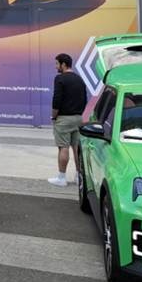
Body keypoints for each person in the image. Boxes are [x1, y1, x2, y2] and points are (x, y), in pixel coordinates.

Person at [49, 53, 87, 187]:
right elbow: (84, 99)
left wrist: (54, 116)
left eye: (57, 64)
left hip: (64, 119)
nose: (56, 67)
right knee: (76, 148)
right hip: (78, 118)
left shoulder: (60, 79)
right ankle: (79, 177)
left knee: (63, 147)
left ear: (63, 64)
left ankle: (61, 178)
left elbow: (56, 100)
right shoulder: (79, 79)